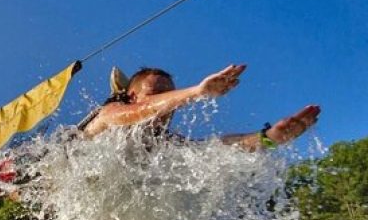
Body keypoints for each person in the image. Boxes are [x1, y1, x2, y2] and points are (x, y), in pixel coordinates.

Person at [79, 64, 320, 150]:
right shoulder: (107, 116)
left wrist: (268, 138)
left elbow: (217, 149)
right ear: (131, 97)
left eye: (170, 98)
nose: (167, 105)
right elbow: (140, 111)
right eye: (158, 95)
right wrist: (197, 92)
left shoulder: (164, 143)